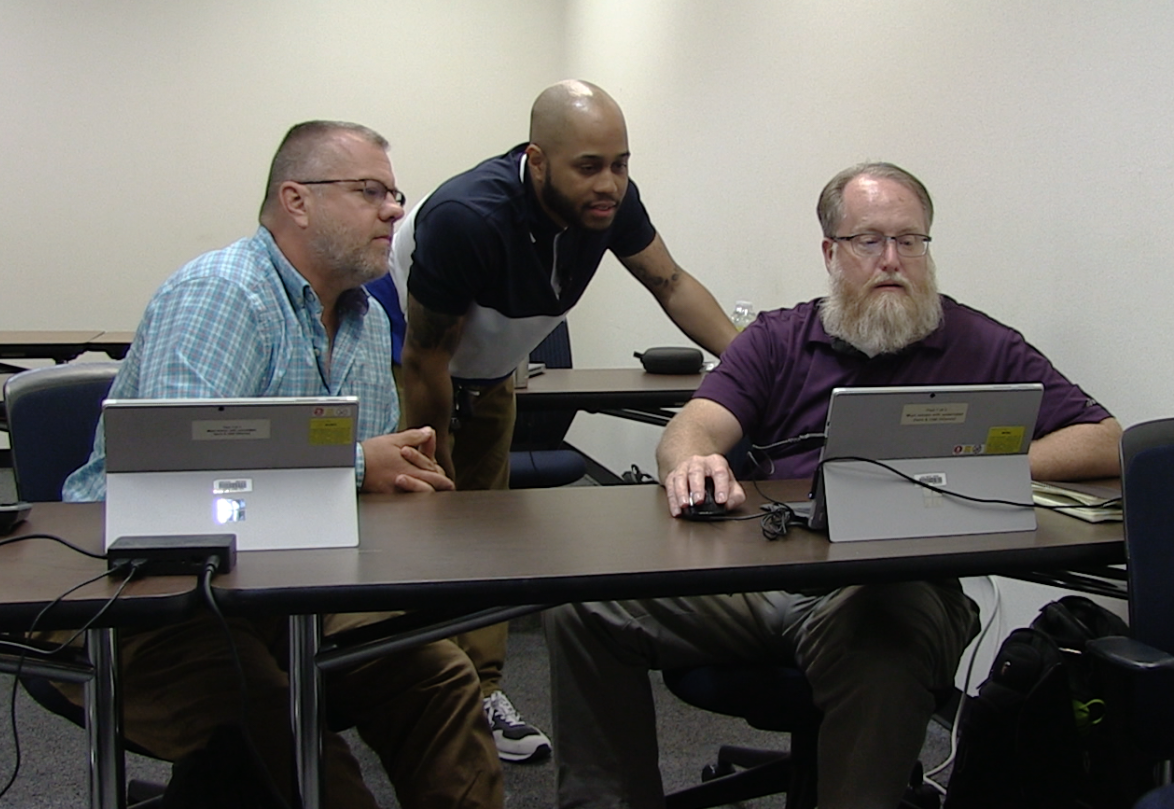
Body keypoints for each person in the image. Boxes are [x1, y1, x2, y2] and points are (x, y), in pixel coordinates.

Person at [544, 162, 1122, 809]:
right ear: (830, 252)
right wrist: (691, 462)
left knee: (882, 626)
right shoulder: (778, 340)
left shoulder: (978, 344)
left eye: (911, 241)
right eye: (869, 241)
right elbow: (691, 429)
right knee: (584, 608)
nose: (892, 259)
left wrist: (980, 469)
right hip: (757, 586)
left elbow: (1104, 437)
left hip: (897, 594)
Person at [61, 121, 502, 809]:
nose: (394, 210)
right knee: (277, 723)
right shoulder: (222, 293)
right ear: (296, 201)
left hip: (289, 590)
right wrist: (358, 465)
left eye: (396, 193)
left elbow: (367, 489)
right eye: (370, 191)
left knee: (437, 676)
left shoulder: (365, 318)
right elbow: (175, 478)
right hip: (145, 605)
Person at [365, 79, 739, 761]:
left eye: (621, 164)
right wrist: (438, 462)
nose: (611, 184)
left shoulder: (609, 203)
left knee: (488, 528)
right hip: (413, 363)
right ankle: (413, 688)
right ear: (537, 160)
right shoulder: (466, 215)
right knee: (431, 525)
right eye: (590, 166)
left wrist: (755, 367)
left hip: (491, 364)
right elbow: (425, 356)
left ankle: (479, 693)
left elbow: (670, 282)